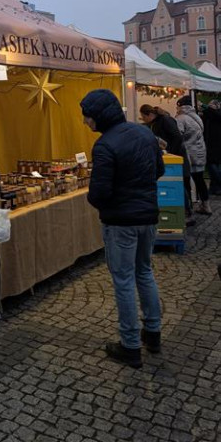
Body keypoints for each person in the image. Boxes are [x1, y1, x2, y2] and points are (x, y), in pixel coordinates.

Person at [81, 89, 163, 369]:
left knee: (124, 280)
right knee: (144, 272)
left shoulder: (105, 145)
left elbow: (99, 194)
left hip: (121, 223)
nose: (85, 122)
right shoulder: (144, 134)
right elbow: (159, 170)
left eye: (87, 116)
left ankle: (130, 345)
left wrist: (105, 200)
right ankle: (153, 333)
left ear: (100, 116)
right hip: (147, 217)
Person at [139, 104, 195, 226]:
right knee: (178, 186)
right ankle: (186, 212)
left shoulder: (165, 120)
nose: (143, 120)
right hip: (169, 159)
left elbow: (177, 137)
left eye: (143, 117)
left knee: (180, 186)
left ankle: (188, 213)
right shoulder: (155, 122)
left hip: (176, 158)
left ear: (149, 114)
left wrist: (170, 152)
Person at [175, 96, 210, 215]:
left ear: (180, 105)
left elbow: (178, 136)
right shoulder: (196, 117)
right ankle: (206, 205)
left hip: (188, 153)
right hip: (199, 151)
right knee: (199, 180)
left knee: (186, 181)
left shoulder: (181, 118)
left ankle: (188, 208)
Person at [202, 99, 221, 197]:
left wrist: (205, 106)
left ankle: (217, 186)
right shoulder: (210, 115)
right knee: (214, 165)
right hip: (213, 144)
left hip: (213, 144)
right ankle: (215, 188)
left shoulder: (214, 115)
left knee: (212, 165)